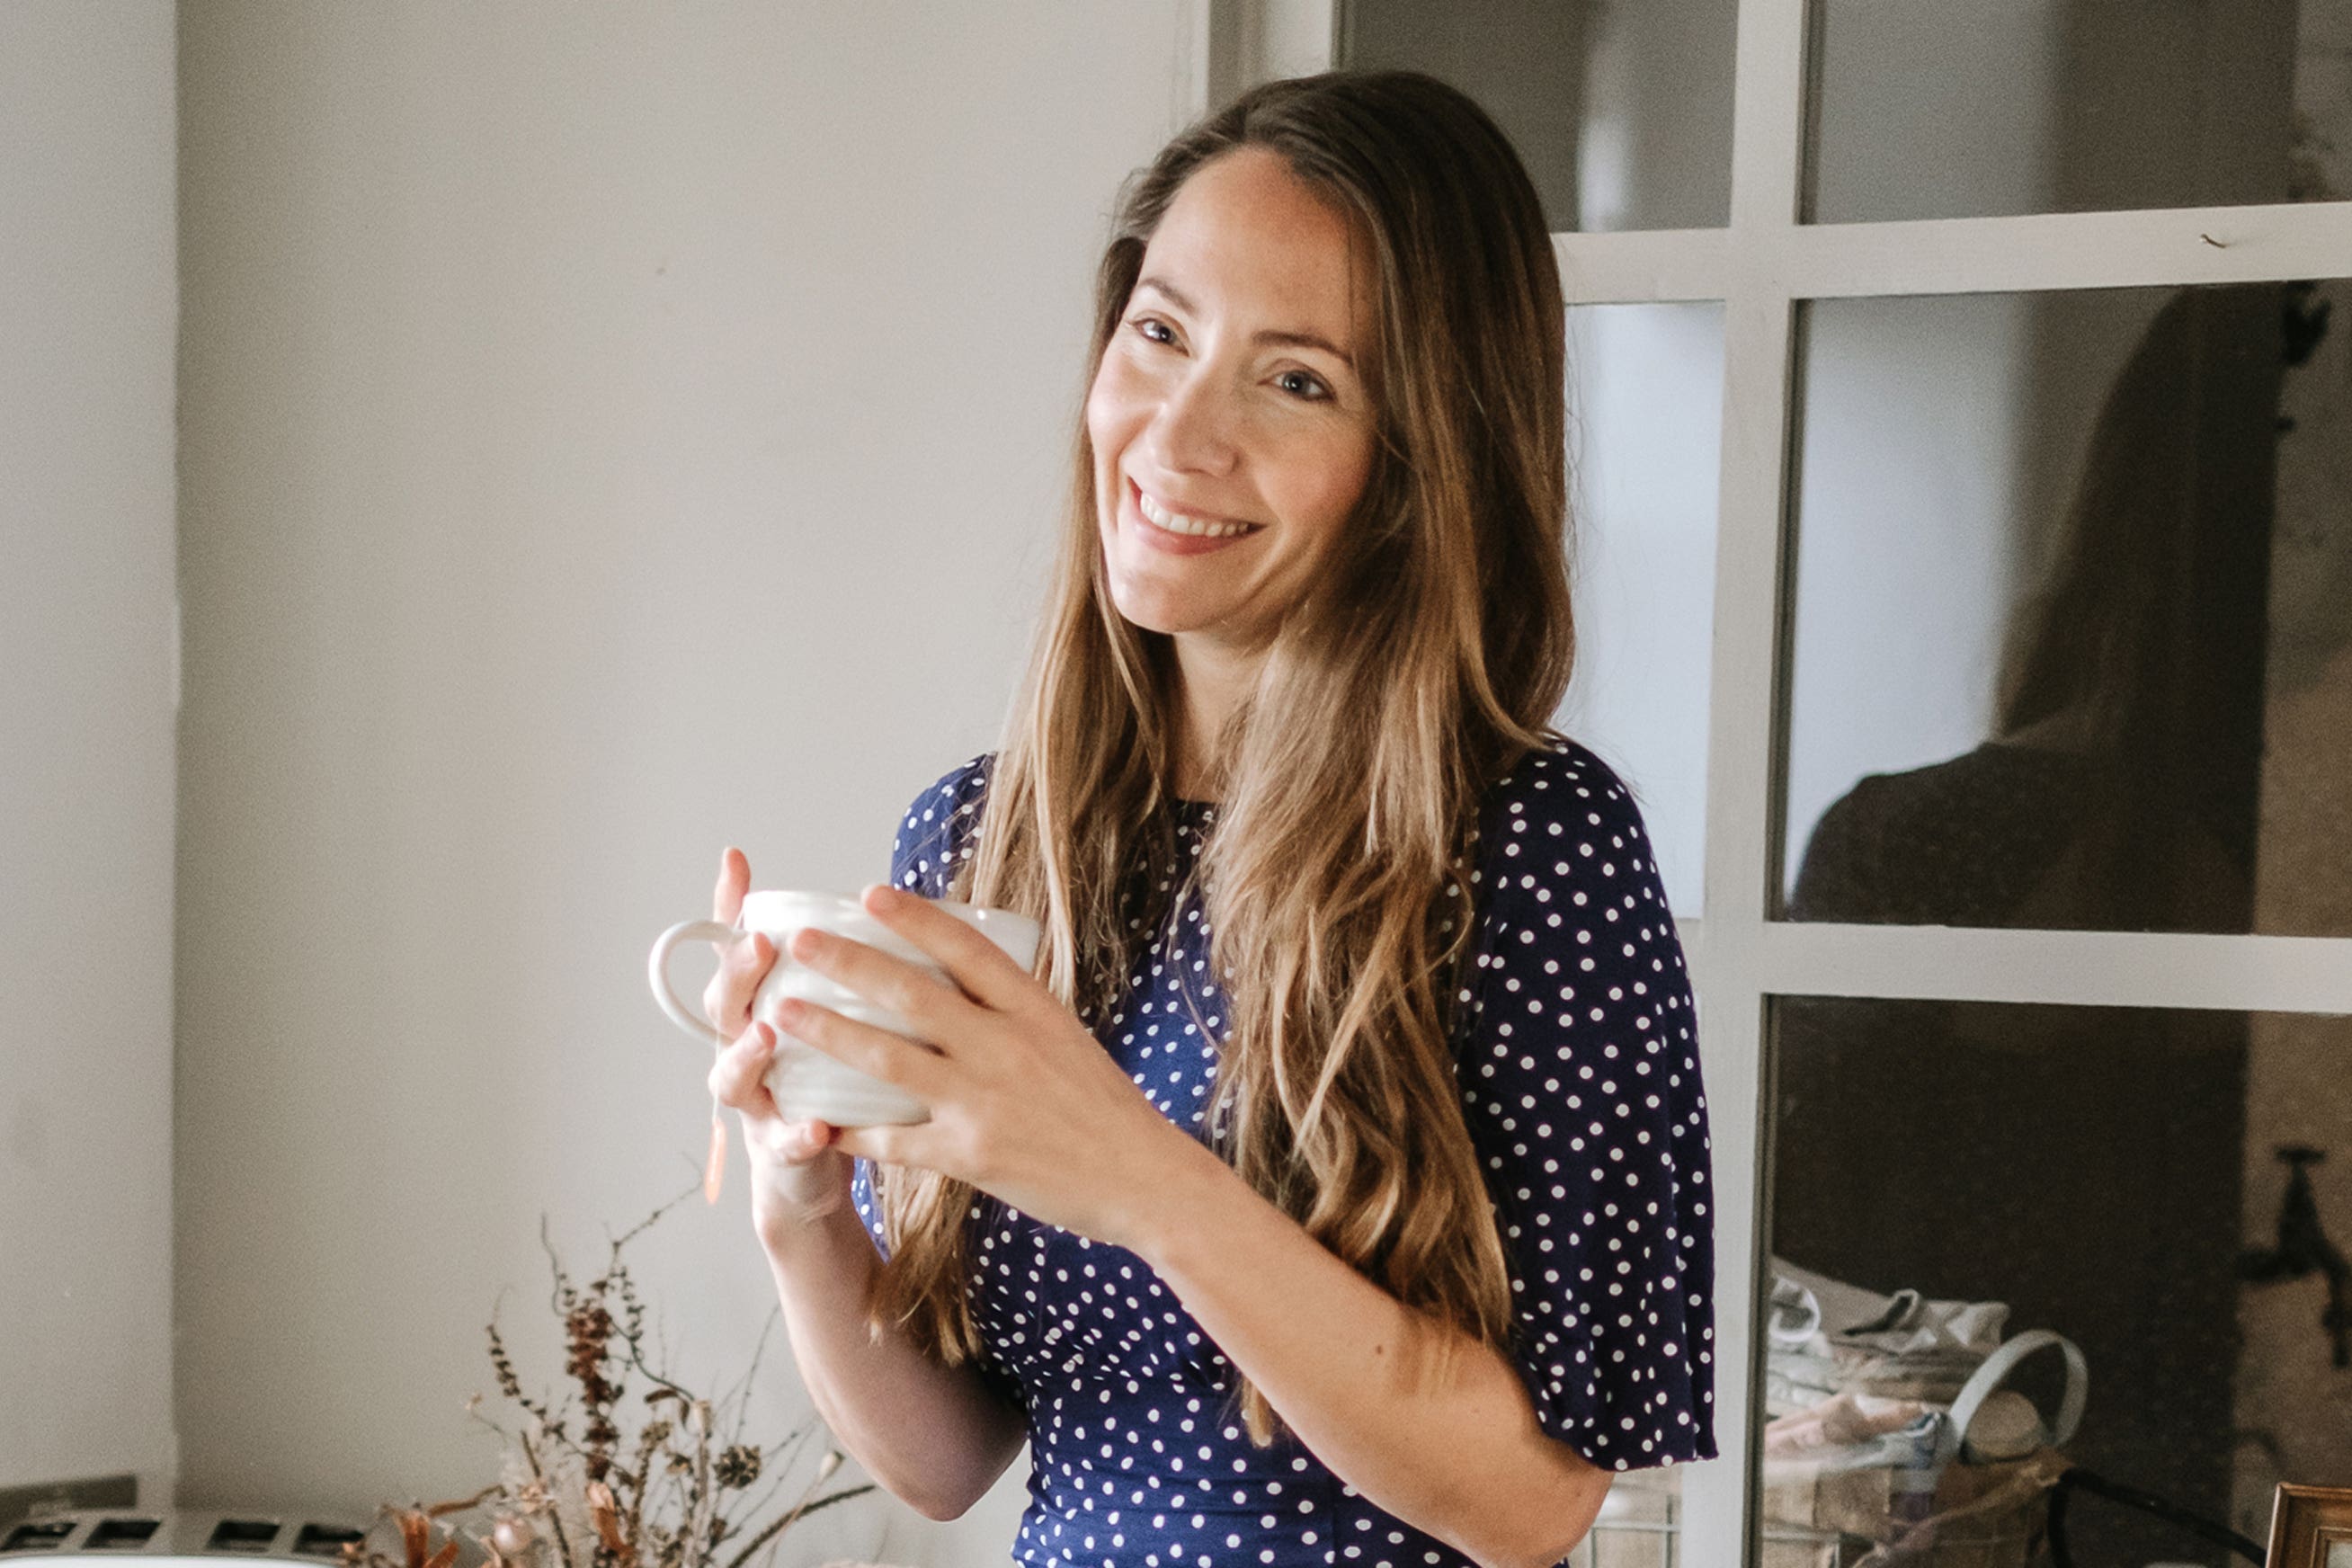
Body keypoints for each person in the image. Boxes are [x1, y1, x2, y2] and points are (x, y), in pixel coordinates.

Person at [701, 69, 1715, 1568]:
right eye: (1160, 334)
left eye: (1296, 379)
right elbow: (943, 1459)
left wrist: (1135, 1178)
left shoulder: (1529, 846)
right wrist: (802, 1200)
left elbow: (1535, 1500)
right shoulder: (987, 835)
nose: (1178, 435)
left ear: (1421, 465)